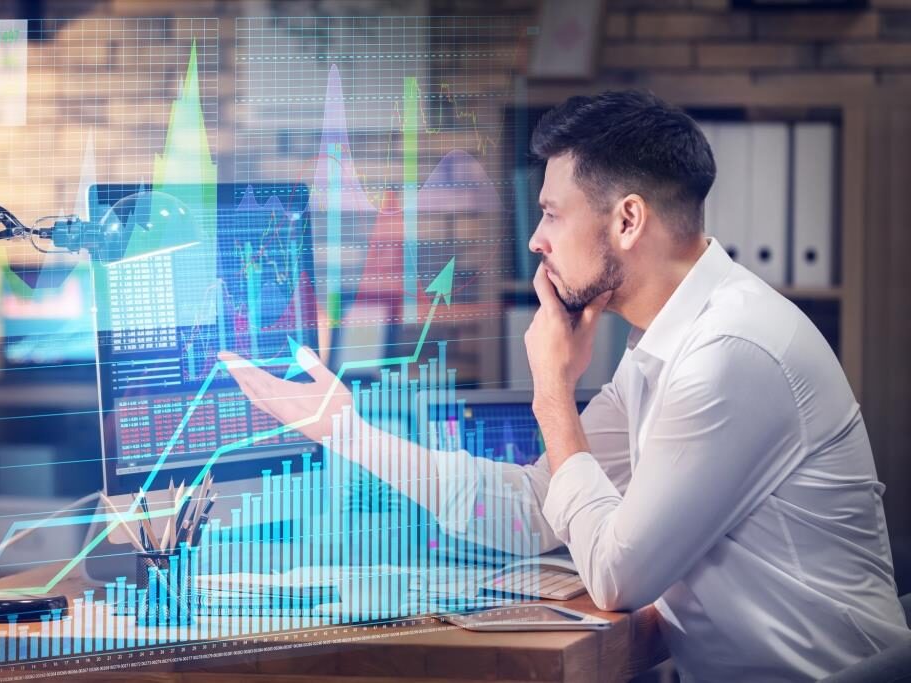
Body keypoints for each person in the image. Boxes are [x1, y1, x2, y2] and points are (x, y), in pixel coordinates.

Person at [219, 90, 910, 681]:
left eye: (552, 212)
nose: (535, 240)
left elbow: (618, 574)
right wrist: (348, 430)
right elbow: (534, 505)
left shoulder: (728, 354)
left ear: (628, 219)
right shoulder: (664, 347)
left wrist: (553, 387)